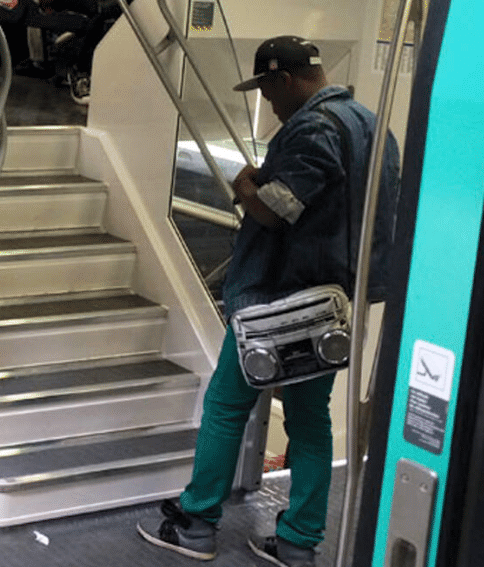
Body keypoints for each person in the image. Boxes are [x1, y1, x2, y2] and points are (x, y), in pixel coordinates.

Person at [136, 35, 400, 566]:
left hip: (280, 302)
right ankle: (299, 541)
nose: (270, 104)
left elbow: (275, 212)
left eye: (268, 90)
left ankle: (196, 523)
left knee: (227, 405)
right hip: (335, 301)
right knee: (310, 418)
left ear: (285, 79)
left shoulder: (311, 130)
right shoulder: (375, 125)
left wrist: (244, 186)